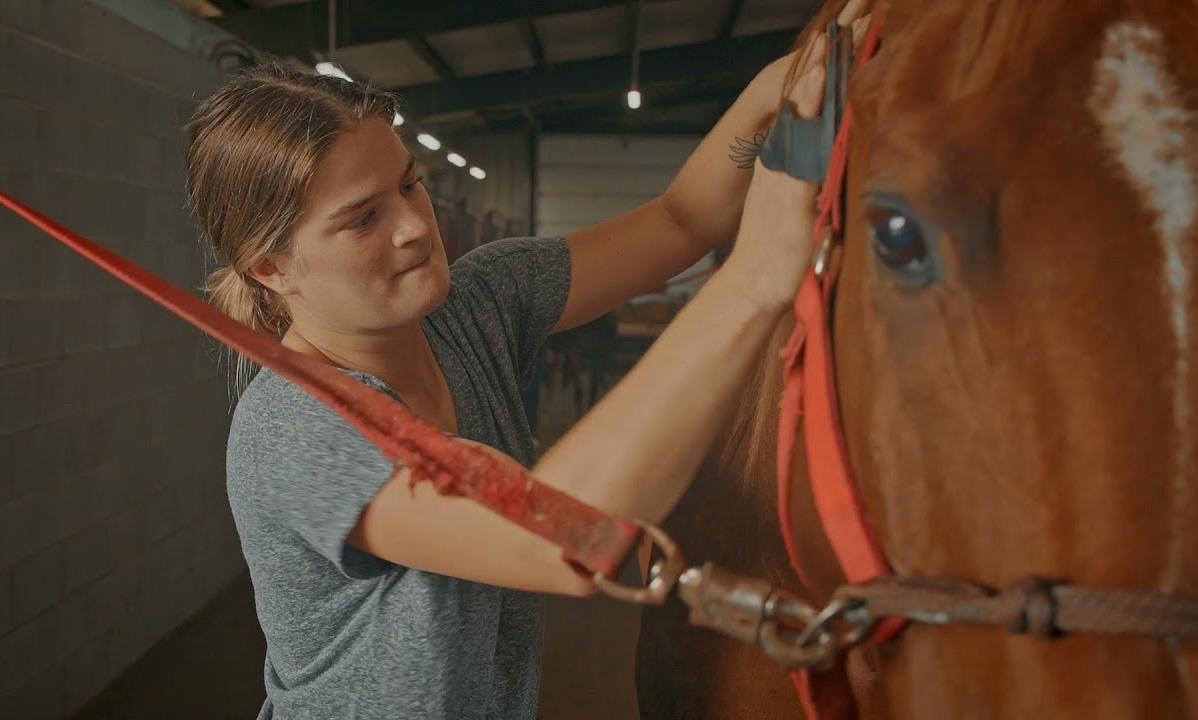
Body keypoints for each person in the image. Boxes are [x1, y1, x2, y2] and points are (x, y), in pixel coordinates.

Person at [183, 30, 832, 720]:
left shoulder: (479, 303)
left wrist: (774, 90)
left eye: (410, 185)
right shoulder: (295, 427)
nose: (414, 226)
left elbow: (679, 221)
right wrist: (755, 281)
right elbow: (557, 543)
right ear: (271, 268)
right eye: (363, 218)